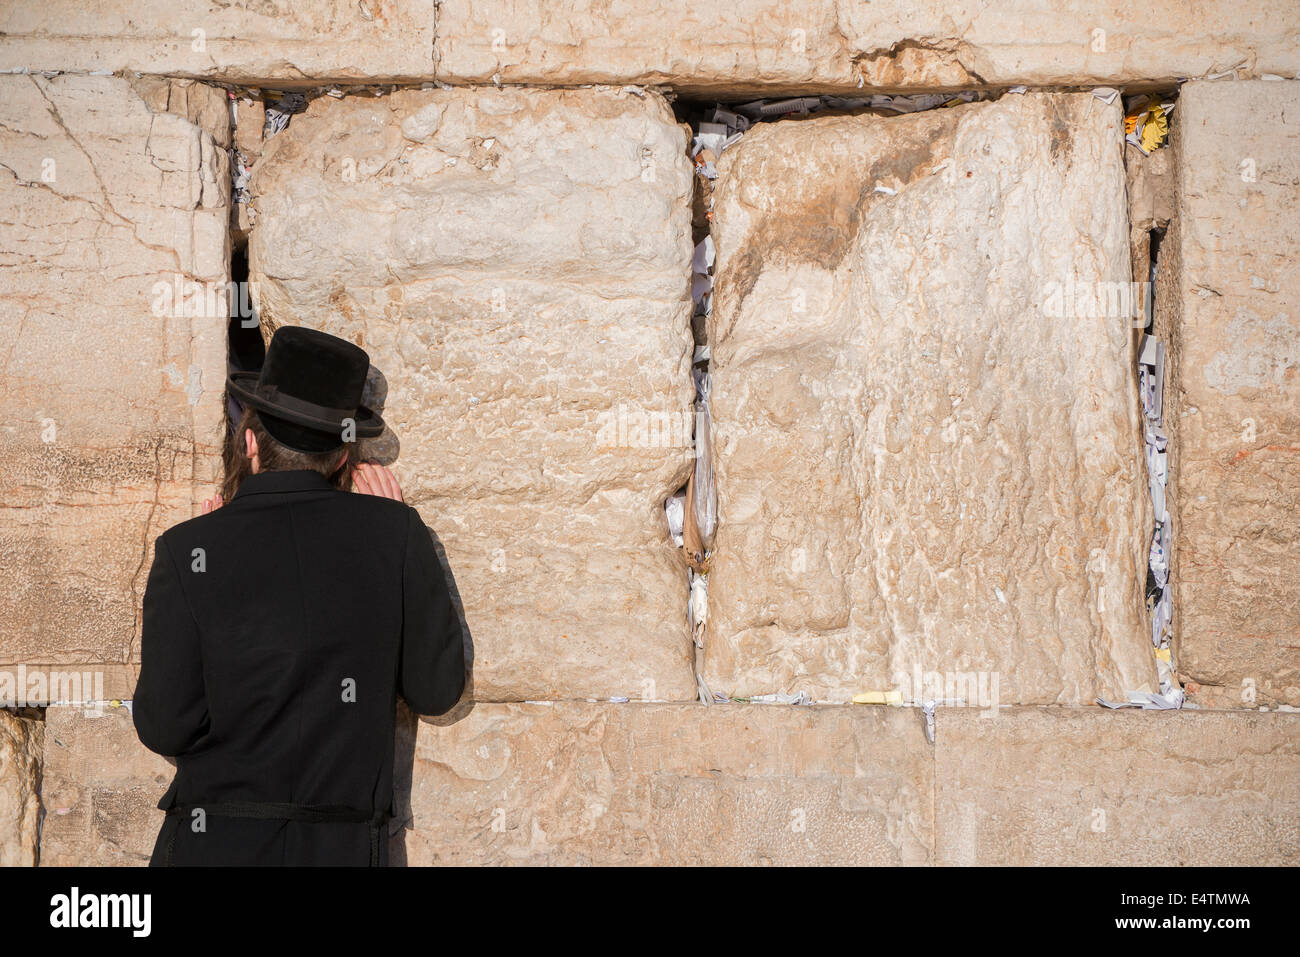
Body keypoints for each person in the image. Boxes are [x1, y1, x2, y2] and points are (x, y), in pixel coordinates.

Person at [133, 325, 466, 866]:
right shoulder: (395, 537)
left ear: (248, 442)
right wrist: (401, 535)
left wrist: (208, 563)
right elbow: (436, 690)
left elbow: (164, 725)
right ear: (343, 457)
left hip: (211, 846)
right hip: (342, 849)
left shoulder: (187, 550)